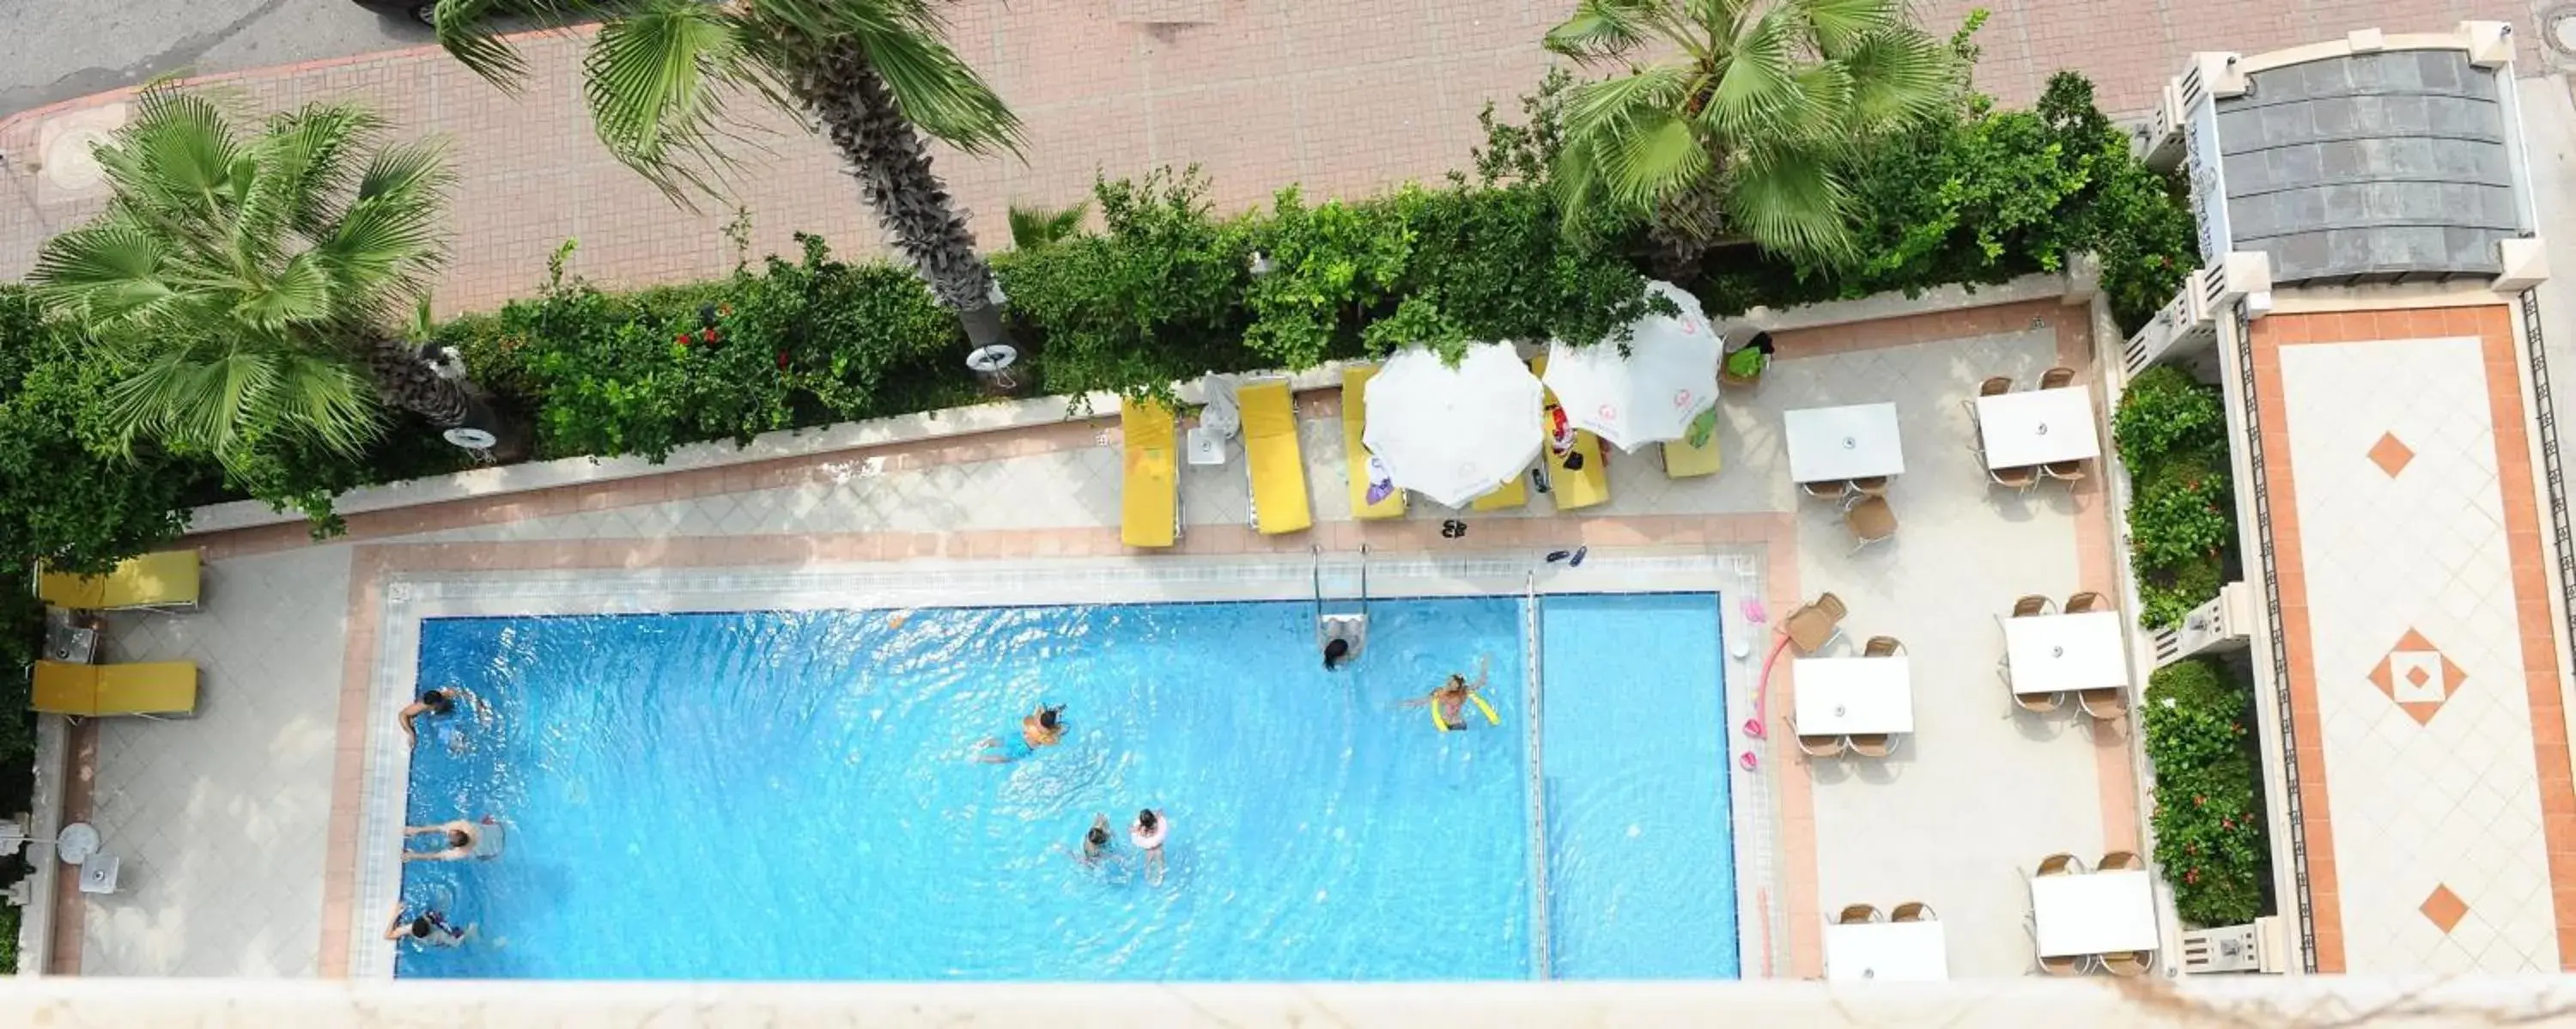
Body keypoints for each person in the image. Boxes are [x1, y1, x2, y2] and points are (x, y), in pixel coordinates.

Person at [1403, 655, 1491, 728]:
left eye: (1451, 684)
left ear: (1458, 687)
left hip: (1457, 723)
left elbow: (1481, 682)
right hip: (1448, 723)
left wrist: (1484, 666)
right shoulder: (1441, 693)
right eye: (1449, 683)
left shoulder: (1463, 692)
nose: (1448, 685)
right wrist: (1406, 704)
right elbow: (1422, 701)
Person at [400, 686, 488, 748]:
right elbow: (402, 715)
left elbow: (471, 696)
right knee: (455, 746)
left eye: (434, 706)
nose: (432, 708)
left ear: (441, 700)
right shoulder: (423, 706)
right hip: (439, 721)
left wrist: (481, 710)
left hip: (450, 714)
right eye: (431, 707)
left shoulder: (449, 693)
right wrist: (411, 733)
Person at [976, 703, 1065, 764]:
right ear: (1052, 726)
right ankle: (980, 759)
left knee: (1001, 741)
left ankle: (980, 745)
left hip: (1019, 737)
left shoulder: (1034, 719)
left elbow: (1040, 706)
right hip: (1024, 748)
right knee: (1005, 759)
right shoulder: (1049, 734)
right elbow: (1058, 735)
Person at [403, 818, 504, 862]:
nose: (448, 834)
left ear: (454, 846)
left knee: (482, 858)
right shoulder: (463, 825)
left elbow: (436, 857)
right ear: (458, 831)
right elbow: (439, 828)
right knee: (486, 822)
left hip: (494, 850)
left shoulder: (461, 853)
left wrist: (413, 856)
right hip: (498, 830)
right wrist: (416, 830)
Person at [383, 901, 471, 947]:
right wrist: (470, 930)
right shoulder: (440, 935)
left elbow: (387, 935)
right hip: (438, 941)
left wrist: (396, 914)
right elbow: (458, 942)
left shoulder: (410, 929)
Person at [1130, 807, 1169, 885]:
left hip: (1149, 846)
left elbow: (1133, 830)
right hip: (1157, 845)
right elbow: (1160, 813)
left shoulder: (1143, 829)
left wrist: (1135, 829)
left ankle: (1147, 871)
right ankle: (1161, 873)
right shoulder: (1156, 822)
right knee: (1160, 857)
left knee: (1149, 857)